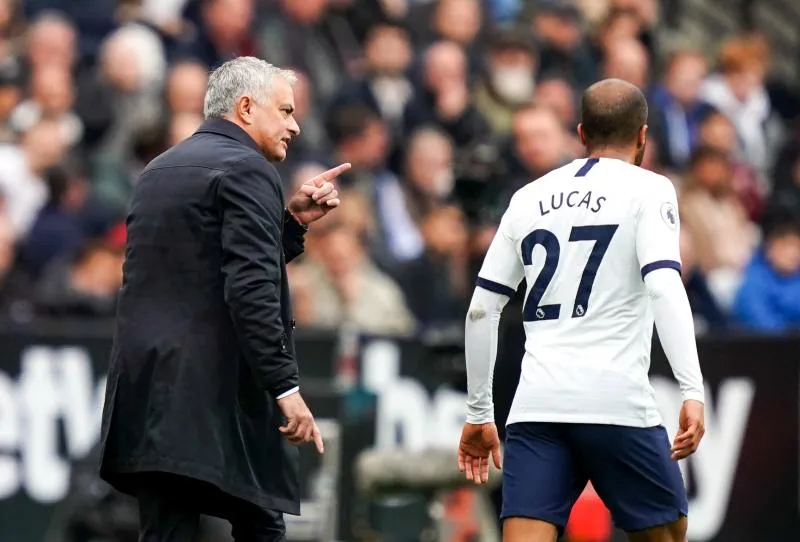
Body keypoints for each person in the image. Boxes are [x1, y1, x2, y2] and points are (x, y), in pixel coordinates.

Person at [98, 57, 351, 542]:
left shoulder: (157, 170)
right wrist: (285, 387)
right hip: (213, 397)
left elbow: (200, 271)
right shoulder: (249, 168)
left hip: (148, 390)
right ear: (246, 108)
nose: (295, 126)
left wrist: (290, 224)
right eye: (286, 111)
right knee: (262, 526)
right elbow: (249, 288)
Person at [457, 78, 706, 542]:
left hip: (537, 406)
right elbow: (664, 287)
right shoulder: (650, 189)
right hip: (615, 402)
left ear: (580, 133)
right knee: (668, 534)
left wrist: (479, 411)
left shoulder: (528, 197)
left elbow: (481, 309)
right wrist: (692, 388)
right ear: (643, 136)